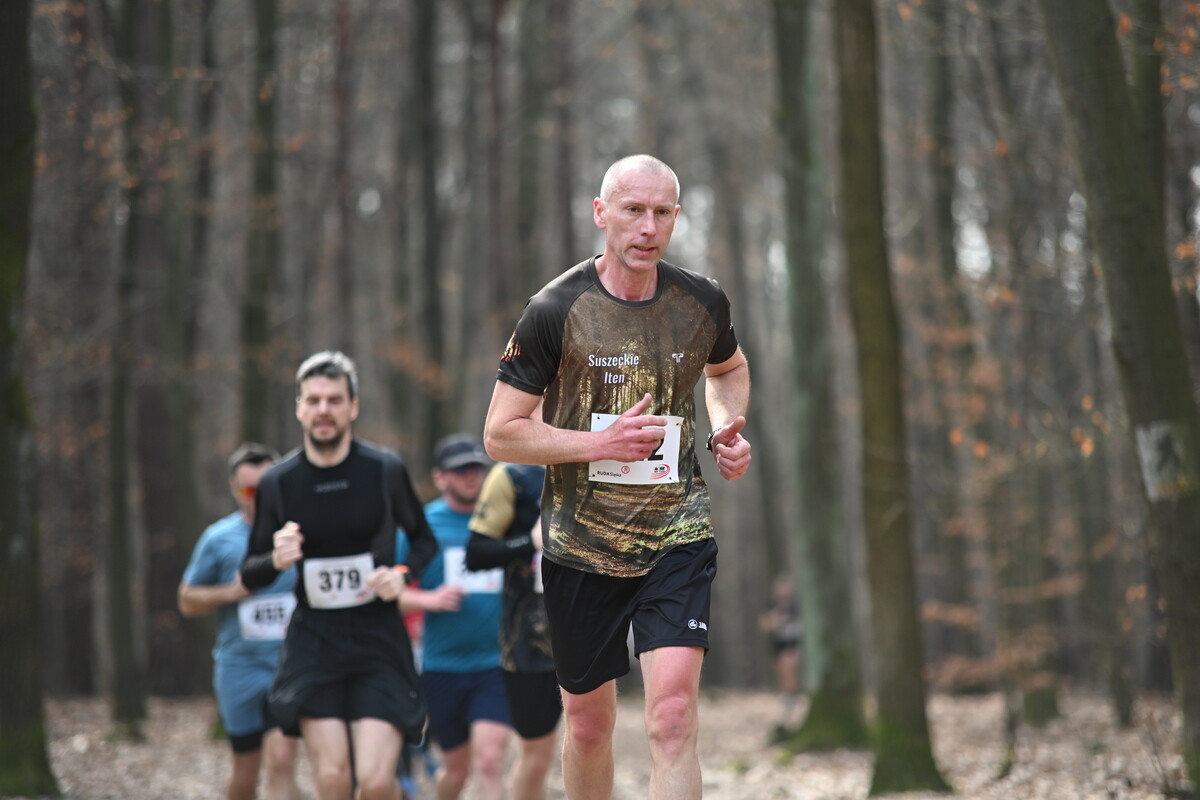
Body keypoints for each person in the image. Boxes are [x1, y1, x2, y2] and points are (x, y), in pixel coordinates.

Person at [482, 154, 752, 800]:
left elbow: (729, 370)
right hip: (580, 544)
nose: (647, 227)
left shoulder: (701, 302)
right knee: (588, 724)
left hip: (676, 534)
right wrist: (597, 444)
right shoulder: (555, 309)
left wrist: (725, 428)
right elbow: (500, 432)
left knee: (672, 716)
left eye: (662, 213)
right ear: (602, 214)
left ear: (676, 219)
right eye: (633, 210)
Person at [240, 350, 439, 800]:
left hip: (378, 638)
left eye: (333, 400)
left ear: (353, 407)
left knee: (373, 781)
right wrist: (275, 559)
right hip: (315, 640)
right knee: (331, 780)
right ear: (299, 408)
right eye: (313, 400)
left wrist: (403, 575)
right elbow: (249, 573)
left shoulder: (383, 469)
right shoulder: (278, 482)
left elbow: (424, 540)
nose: (323, 410)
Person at [178, 442, 302, 800]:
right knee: (245, 773)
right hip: (240, 669)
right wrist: (230, 592)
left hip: (289, 667)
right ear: (234, 488)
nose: (257, 497)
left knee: (281, 760)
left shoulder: (296, 535)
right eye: (249, 489)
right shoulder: (218, 539)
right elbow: (187, 600)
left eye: (265, 488)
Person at [397, 434, 511, 800]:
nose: (470, 476)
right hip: (441, 667)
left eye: (476, 467)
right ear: (439, 477)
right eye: (460, 469)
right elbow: (386, 594)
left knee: (490, 759)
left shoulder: (502, 518)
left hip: (495, 663)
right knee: (457, 772)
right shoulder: (421, 527)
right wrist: (429, 599)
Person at [465, 461, 561, 800]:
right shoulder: (514, 476)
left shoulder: (600, 461)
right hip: (528, 640)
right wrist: (530, 541)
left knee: (590, 738)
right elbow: (475, 553)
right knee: (536, 756)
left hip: (585, 625)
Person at [759, 573, 802, 729]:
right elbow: (765, 625)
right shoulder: (773, 606)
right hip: (778, 645)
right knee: (781, 669)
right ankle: (787, 695)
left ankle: (792, 695)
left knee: (789, 664)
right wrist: (775, 621)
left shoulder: (796, 606)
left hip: (793, 645)